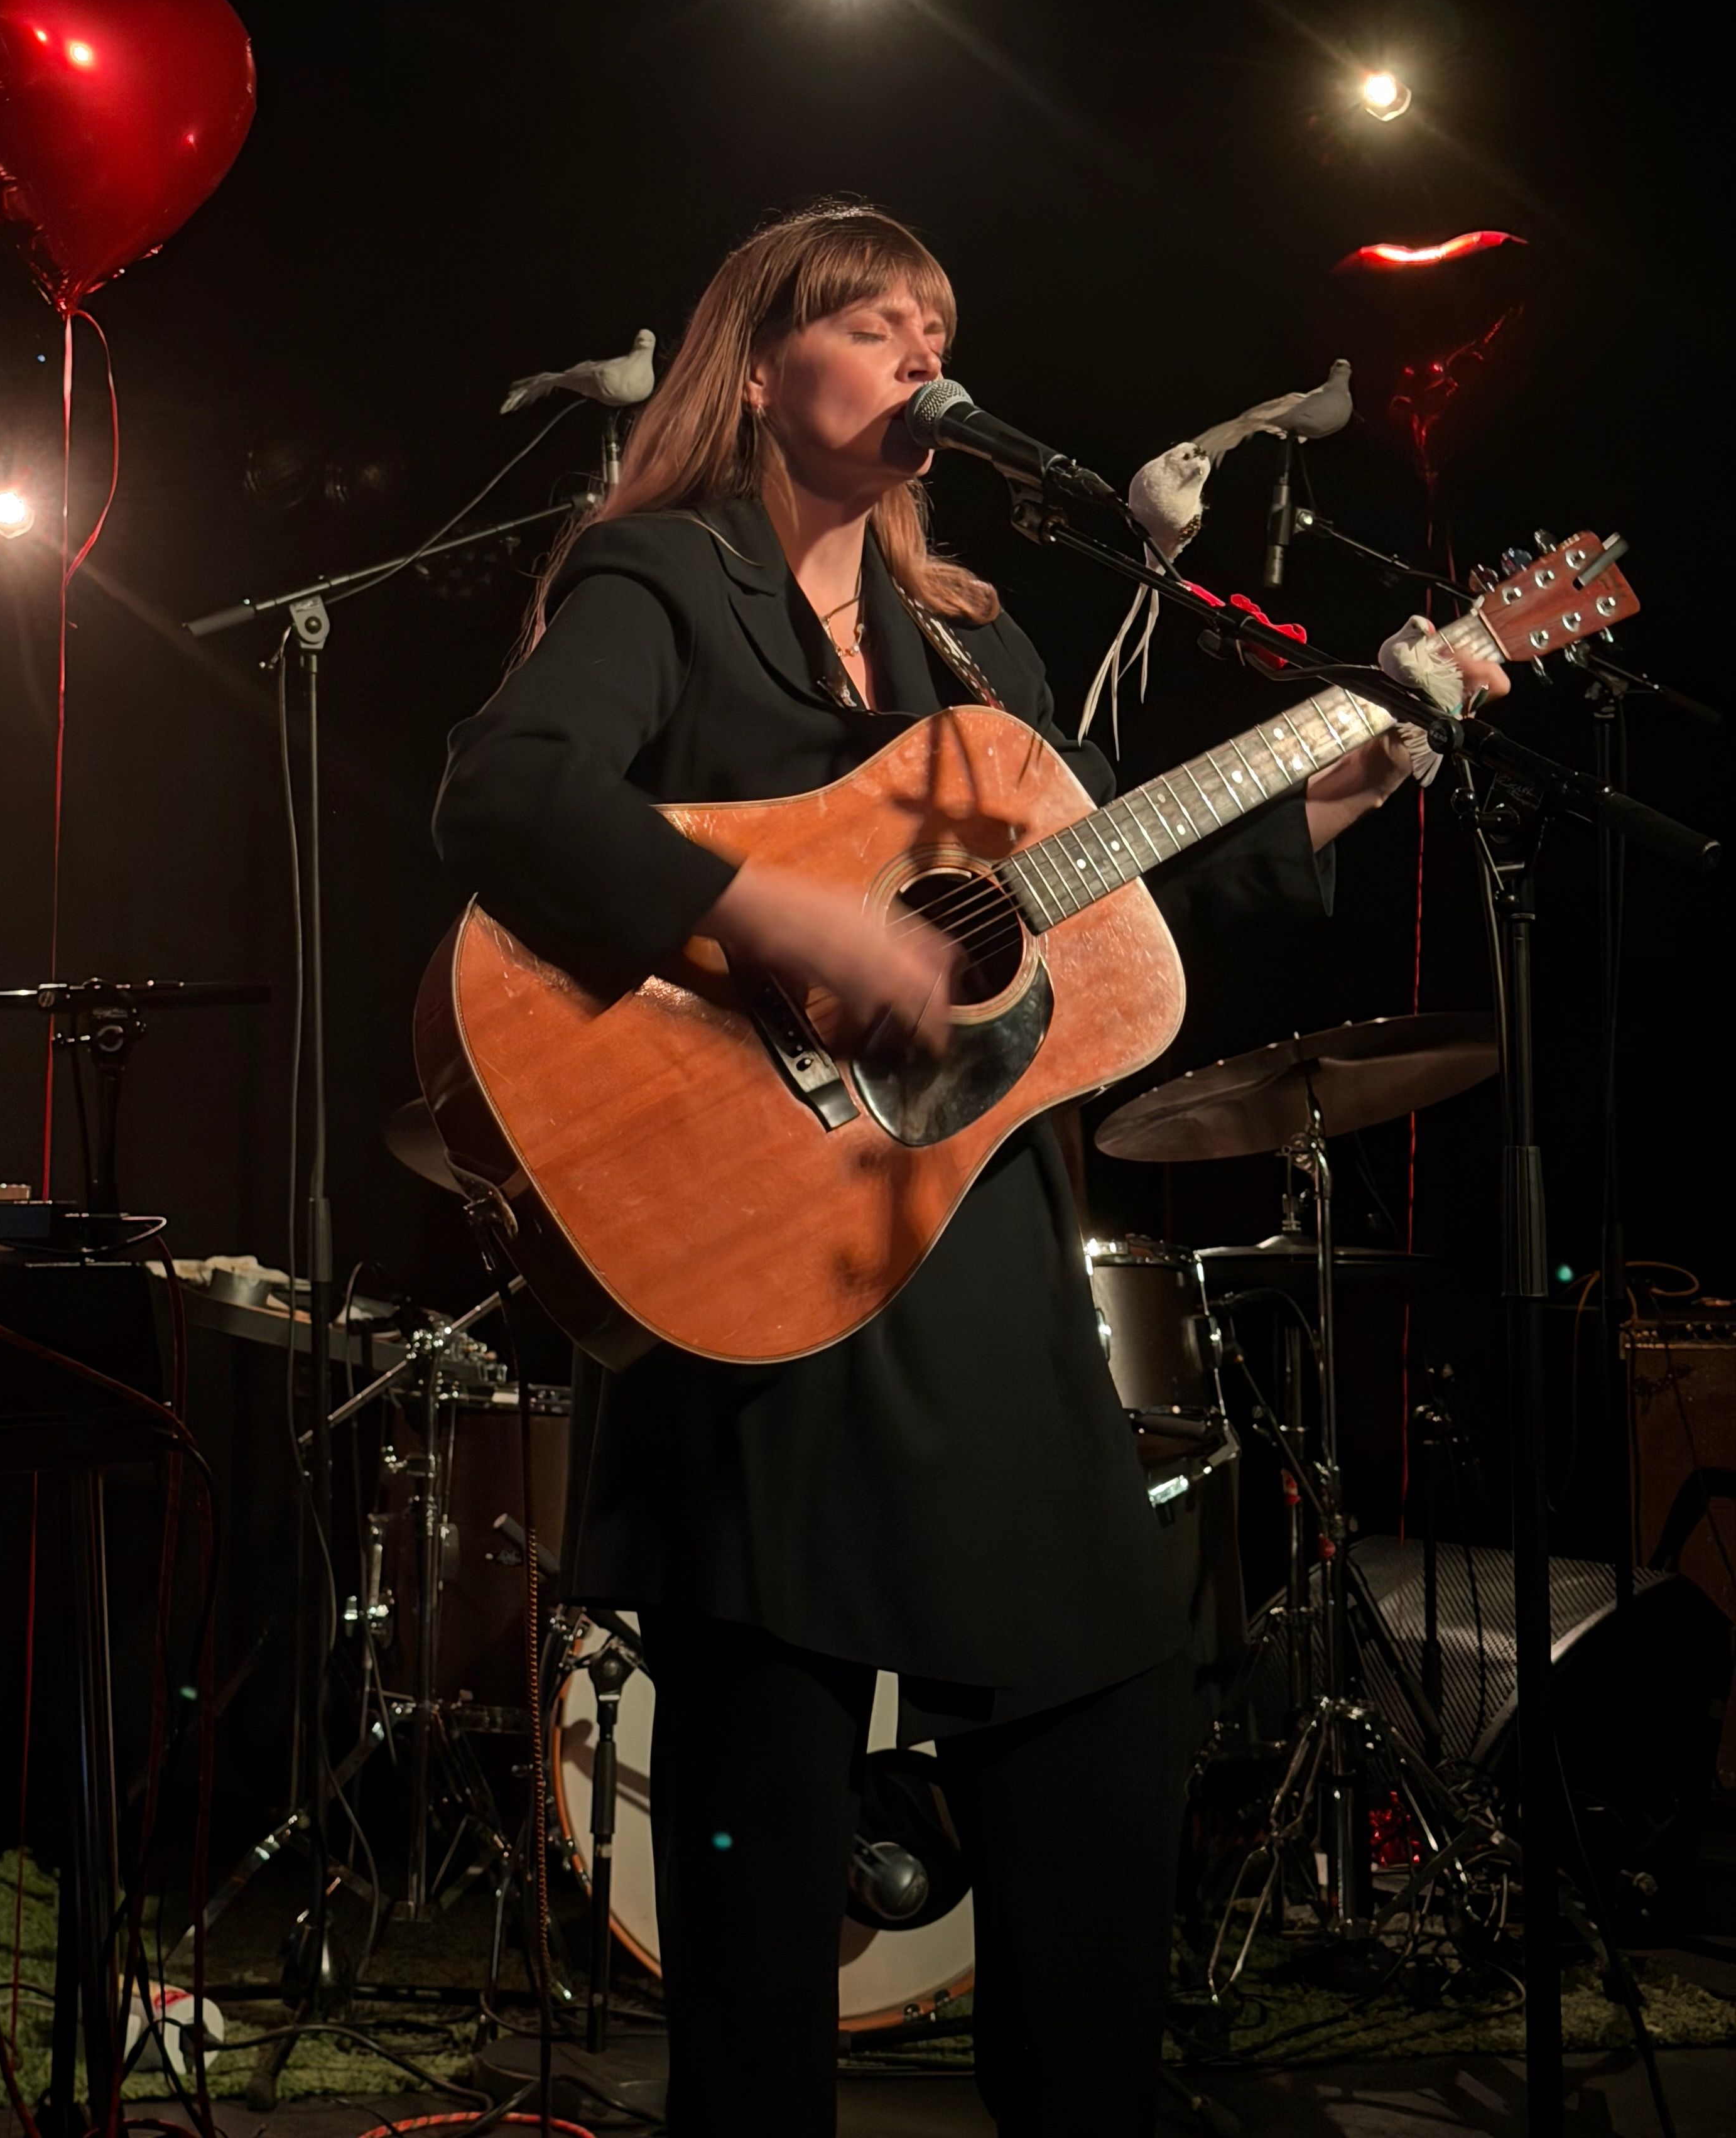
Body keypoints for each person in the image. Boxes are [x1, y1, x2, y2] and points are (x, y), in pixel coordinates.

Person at [432, 203, 1502, 2135]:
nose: (927, 348)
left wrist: (1352, 761)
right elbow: (508, 795)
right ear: (759, 362)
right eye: (877, 321)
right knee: (759, 1966)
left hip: (981, 1281)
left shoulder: (978, 633)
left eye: (941, 323)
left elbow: (1095, 910)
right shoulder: (662, 575)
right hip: (754, 1290)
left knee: (1108, 1748)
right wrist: (784, 925)